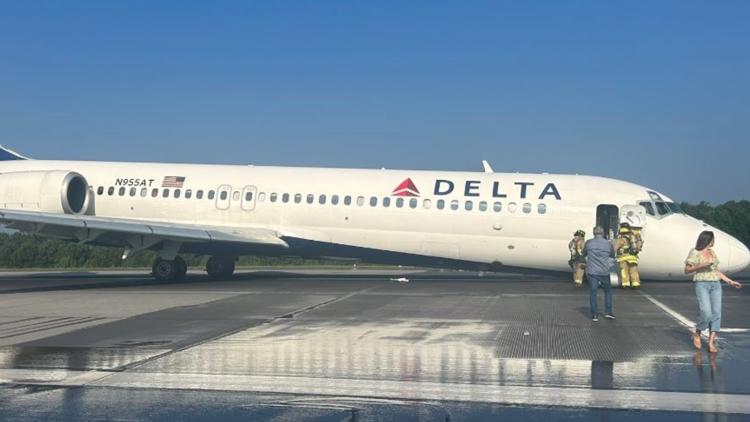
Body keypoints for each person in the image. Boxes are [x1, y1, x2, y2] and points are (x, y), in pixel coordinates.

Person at [684, 231, 742, 353]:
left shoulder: (712, 252)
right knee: (706, 312)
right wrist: (701, 265)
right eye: (712, 239)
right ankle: (697, 333)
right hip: (702, 284)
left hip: (716, 285)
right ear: (707, 239)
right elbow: (687, 270)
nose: (714, 241)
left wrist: (730, 281)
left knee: (716, 313)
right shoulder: (695, 252)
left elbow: (716, 271)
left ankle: (711, 343)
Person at [583, 226, 616, 321]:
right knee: (608, 292)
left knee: (593, 292)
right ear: (603, 233)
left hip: (592, 271)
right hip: (604, 271)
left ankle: (594, 315)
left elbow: (583, 254)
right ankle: (608, 312)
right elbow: (612, 255)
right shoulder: (608, 244)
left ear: (593, 233)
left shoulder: (589, 243)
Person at [614, 223, 642, 288]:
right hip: (633, 258)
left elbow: (614, 248)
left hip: (623, 258)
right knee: (634, 271)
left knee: (624, 271)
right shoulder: (633, 238)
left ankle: (625, 283)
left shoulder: (621, 240)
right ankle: (636, 284)